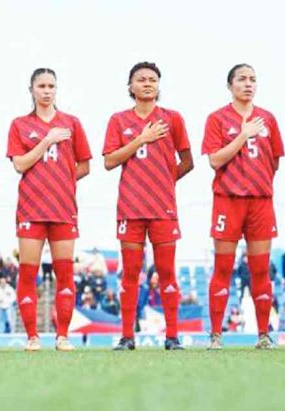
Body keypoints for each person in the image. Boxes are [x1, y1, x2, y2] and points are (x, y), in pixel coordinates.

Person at [103, 62, 193, 351]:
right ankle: (127, 336)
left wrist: (165, 182)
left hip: (163, 208)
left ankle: (173, 336)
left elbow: (188, 161)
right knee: (131, 274)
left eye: (152, 79)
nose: (147, 83)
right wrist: (140, 139)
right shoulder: (118, 120)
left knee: (167, 271)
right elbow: (109, 161)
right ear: (130, 86)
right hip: (130, 207)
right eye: (140, 79)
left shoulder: (173, 119)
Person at [7, 68, 92, 351]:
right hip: (31, 208)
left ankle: (63, 336)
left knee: (64, 273)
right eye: (41, 86)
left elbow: (84, 166)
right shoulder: (20, 124)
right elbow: (19, 164)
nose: (46, 90)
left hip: (63, 207)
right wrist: (46, 140)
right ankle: (32, 337)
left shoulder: (72, 123)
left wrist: (61, 182)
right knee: (28, 272)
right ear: (31, 90)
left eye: (51, 85)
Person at [204, 64, 284, 349]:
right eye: (242, 79)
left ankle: (263, 335)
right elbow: (215, 160)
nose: (248, 84)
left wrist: (256, 181)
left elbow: (274, 161)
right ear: (230, 86)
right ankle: (216, 335)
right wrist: (243, 135)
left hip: (260, 202)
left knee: (261, 270)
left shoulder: (268, 119)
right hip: (228, 201)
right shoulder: (217, 119)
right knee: (222, 268)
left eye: (252, 79)